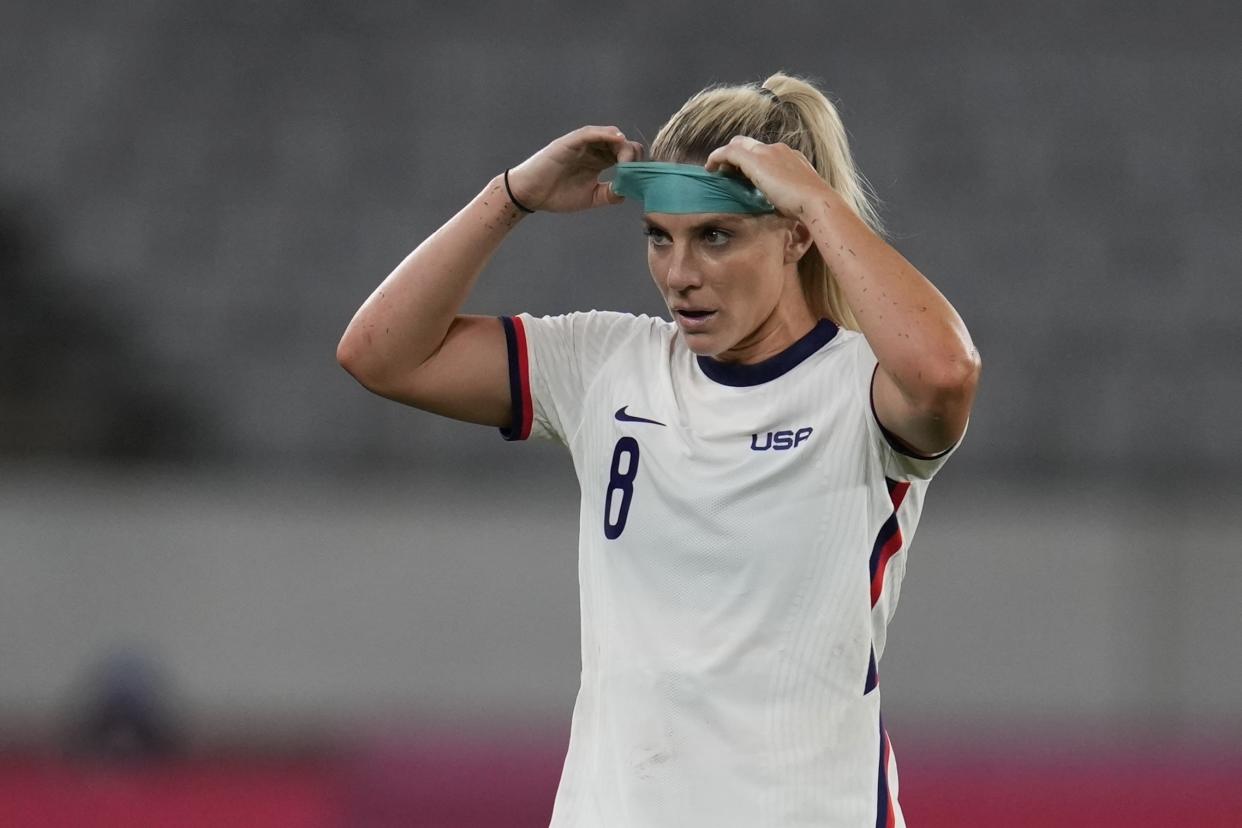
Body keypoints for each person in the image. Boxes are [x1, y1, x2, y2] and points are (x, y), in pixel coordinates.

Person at [337, 72, 980, 827]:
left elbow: (945, 374)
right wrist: (510, 196)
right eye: (659, 237)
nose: (679, 276)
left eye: (716, 236)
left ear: (797, 235)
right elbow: (380, 354)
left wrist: (818, 199)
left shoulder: (862, 388)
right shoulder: (604, 363)